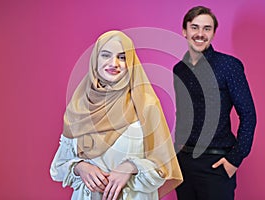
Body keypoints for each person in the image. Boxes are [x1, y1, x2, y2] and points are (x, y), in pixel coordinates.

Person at [50, 30, 183, 200]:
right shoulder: (79, 107)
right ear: (95, 60)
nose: (114, 63)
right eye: (106, 55)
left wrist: (131, 166)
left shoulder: (146, 105)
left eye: (122, 57)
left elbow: (163, 168)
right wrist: (80, 167)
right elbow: (58, 167)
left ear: (131, 63)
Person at [173, 6, 257, 200]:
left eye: (207, 28)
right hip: (183, 163)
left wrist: (234, 160)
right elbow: (183, 115)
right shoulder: (179, 70)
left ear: (213, 33)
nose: (200, 34)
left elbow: (248, 114)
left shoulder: (228, 66)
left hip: (216, 164)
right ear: (185, 31)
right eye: (195, 27)